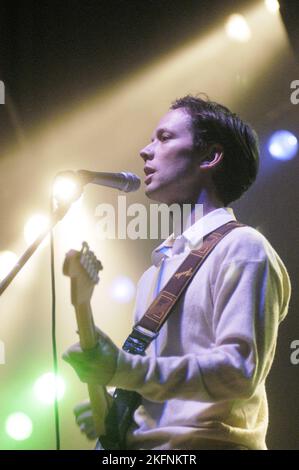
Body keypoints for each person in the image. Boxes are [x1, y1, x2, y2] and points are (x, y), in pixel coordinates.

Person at [63, 94, 291, 450]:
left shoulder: (244, 248)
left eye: (165, 137)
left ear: (211, 156)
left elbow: (238, 372)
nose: (145, 150)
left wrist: (123, 368)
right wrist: (118, 409)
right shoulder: (156, 270)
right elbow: (157, 383)